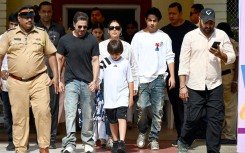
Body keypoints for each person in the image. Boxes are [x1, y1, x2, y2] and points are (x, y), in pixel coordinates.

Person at [0, 5, 59, 153]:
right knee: (20, 116)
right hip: (16, 81)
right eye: (25, 17)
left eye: (31, 17)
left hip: (39, 79)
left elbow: (51, 54)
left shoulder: (41, 33)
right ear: (19, 19)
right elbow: (0, 55)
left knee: (43, 112)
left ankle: (44, 146)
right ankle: (20, 148)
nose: (29, 19)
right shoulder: (9, 35)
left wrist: (56, 76)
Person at [178, 8, 236, 153]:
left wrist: (221, 55)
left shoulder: (221, 35)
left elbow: (232, 56)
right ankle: (184, 140)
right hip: (194, 85)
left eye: (211, 23)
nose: (208, 26)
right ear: (199, 20)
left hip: (215, 84)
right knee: (193, 118)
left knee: (215, 120)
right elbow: (183, 62)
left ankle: (213, 151)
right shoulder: (189, 36)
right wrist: (182, 86)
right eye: (206, 22)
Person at [131, 7, 175, 150]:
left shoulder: (164, 37)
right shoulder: (138, 37)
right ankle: (142, 132)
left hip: (158, 78)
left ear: (158, 21)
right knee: (142, 108)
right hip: (142, 79)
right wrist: (134, 81)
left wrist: (172, 76)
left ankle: (154, 138)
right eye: (149, 20)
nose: (152, 23)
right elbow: (133, 61)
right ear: (145, 20)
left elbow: (170, 57)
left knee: (158, 111)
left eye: (154, 21)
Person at [56, 11, 99, 153]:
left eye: (84, 27)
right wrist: (59, 80)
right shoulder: (64, 40)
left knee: (88, 112)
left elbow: (95, 61)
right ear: (73, 24)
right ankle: (69, 143)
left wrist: (95, 80)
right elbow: (59, 59)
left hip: (87, 82)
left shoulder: (92, 40)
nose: (81, 30)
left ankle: (87, 142)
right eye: (79, 26)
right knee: (70, 112)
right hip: (71, 81)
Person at [160, 2, 197, 147]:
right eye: (169, 13)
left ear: (180, 13)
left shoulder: (191, 30)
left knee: (189, 107)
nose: (171, 16)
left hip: (190, 75)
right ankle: (181, 136)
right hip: (172, 77)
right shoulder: (164, 32)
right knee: (177, 107)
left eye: (174, 13)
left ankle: (187, 136)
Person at [99, 19, 138, 149]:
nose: (114, 30)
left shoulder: (127, 50)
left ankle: (121, 141)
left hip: (123, 91)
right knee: (111, 119)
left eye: (117, 27)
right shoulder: (102, 49)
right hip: (108, 92)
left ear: (120, 30)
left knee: (122, 117)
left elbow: (132, 71)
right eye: (111, 28)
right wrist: (95, 83)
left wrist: (132, 93)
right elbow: (98, 72)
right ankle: (114, 140)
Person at [35, 1, 66, 149]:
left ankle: (52, 139)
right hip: (37, 74)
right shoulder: (33, 28)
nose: (46, 14)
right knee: (39, 108)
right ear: (39, 13)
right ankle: (41, 137)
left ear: (52, 12)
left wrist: (59, 75)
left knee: (53, 107)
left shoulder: (59, 28)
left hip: (55, 73)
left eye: (49, 11)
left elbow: (63, 52)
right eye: (44, 12)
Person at [217, 22, 239, 144]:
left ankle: (230, 135)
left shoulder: (232, 43)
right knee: (220, 107)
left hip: (228, 76)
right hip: (218, 77)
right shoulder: (218, 43)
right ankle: (222, 133)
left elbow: (237, 61)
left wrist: (235, 80)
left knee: (230, 107)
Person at [0, 13, 18, 151]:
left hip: (21, 82)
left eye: (15, 25)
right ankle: (12, 140)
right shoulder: (1, 38)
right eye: (11, 24)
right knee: (7, 113)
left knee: (21, 113)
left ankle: (21, 140)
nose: (13, 27)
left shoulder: (24, 39)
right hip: (5, 82)